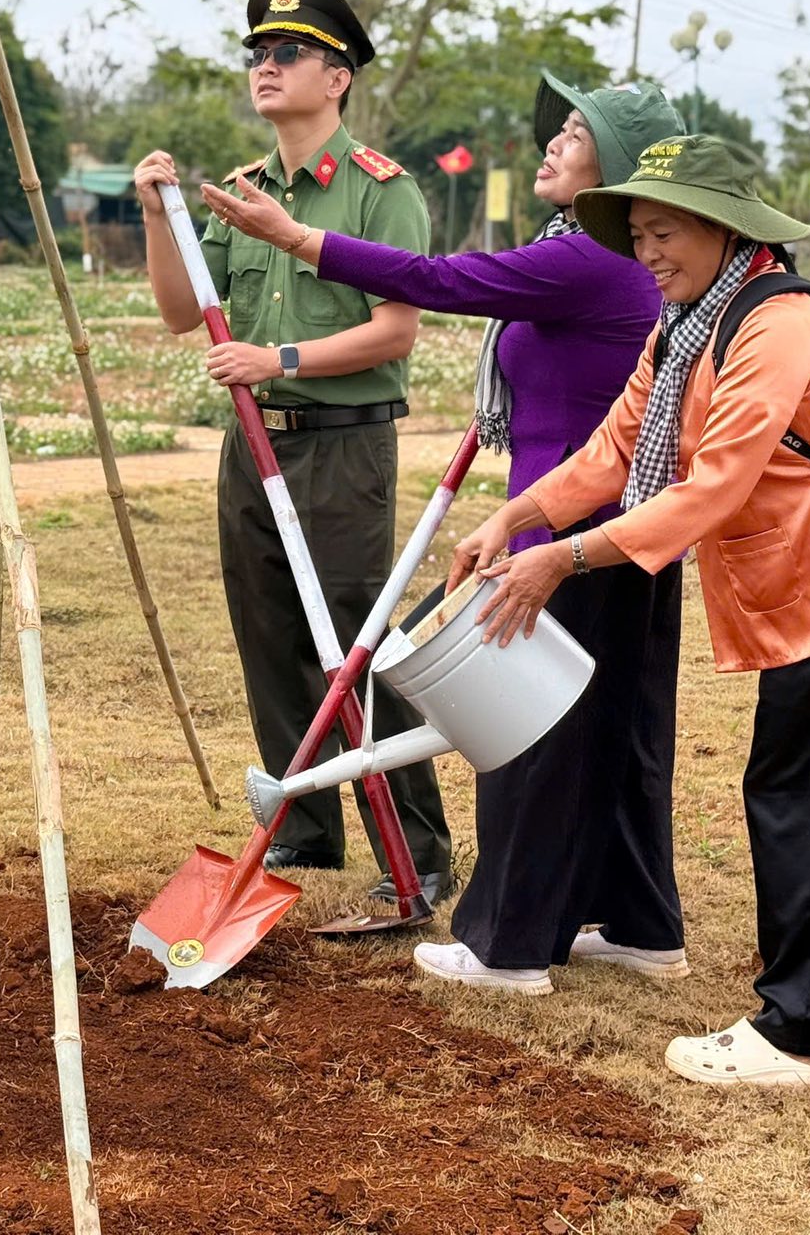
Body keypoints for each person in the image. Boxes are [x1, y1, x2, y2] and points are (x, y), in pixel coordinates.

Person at [450, 135, 810, 1087]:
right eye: (638, 234)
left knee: (806, 793)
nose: (649, 252)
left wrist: (565, 557)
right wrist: (517, 515)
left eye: (664, 231)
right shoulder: (685, 324)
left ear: (721, 228)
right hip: (802, 587)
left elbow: (712, 487)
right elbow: (615, 450)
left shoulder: (776, 323)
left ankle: (800, 1028)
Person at [204, 70, 689, 993]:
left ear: (616, 168)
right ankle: (637, 923)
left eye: (574, 135)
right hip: (615, 521)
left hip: (571, 534)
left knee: (525, 730)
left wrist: (300, 238)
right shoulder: (602, 256)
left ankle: (506, 946)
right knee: (614, 730)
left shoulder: (588, 260)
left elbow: (438, 281)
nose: (551, 142)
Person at [135, 0, 451, 905]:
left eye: (287, 54)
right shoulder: (241, 192)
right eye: (257, 55)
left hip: (342, 442)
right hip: (254, 444)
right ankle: (308, 832)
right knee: (269, 632)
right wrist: (160, 220)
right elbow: (179, 312)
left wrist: (281, 359)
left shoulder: (378, 191)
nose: (265, 69)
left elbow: (396, 330)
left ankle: (422, 850)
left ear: (338, 76)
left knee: (358, 643)